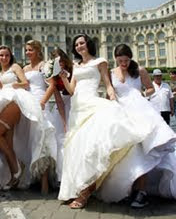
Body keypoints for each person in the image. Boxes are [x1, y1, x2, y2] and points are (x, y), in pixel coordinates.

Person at [58, 34, 152, 209]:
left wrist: (113, 99)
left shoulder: (100, 61)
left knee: (89, 149)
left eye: (82, 43)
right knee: (76, 151)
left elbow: (108, 84)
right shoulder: (76, 65)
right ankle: (77, 189)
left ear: (89, 44)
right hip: (77, 110)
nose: (79, 46)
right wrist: (63, 78)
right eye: (76, 44)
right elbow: (71, 90)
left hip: (93, 105)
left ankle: (85, 193)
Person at [0, 45, 56, 192]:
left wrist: (13, 85)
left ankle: (16, 167)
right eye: (1, 55)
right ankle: (14, 174)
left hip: (14, 100)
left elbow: (25, 84)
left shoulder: (15, 67)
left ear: (11, 56)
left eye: (6, 55)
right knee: (8, 140)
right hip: (1, 103)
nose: (4, 58)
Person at [96, 43, 176, 208]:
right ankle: (129, 188)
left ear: (130, 57)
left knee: (143, 149)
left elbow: (150, 89)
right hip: (120, 114)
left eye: (126, 60)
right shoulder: (112, 73)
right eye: (120, 60)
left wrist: (140, 94)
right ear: (116, 59)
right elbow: (109, 93)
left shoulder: (139, 70)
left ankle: (142, 191)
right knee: (126, 151)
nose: (124, 64)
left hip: (140, 111)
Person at [23, 41, 72, 183]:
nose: (27, 53)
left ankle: (44, 179)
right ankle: (33, 176)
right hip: (27, 101)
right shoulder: (25, 68)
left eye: (30, 50)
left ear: (38, 50)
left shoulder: (44, 66)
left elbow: (52, 85)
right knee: (30, 138)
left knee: (42, 138)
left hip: (39, 101)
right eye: (26, 50)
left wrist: (43, 101)